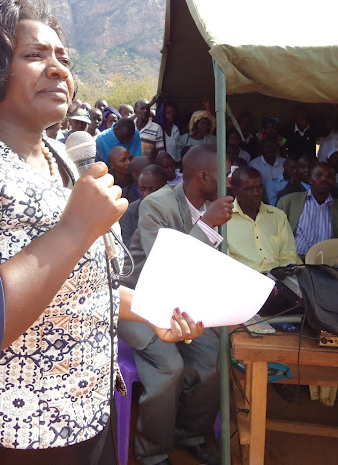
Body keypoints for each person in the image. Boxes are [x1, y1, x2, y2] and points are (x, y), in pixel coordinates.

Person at [0, 0, 202, 463]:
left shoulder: (62, 161)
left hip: (81, 417)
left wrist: (149, 308)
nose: (58, 68)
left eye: (62, 57)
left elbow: (70, 285)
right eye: (34, 55)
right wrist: (74, 230)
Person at [122, 144, 234, 465]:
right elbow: (163, 267)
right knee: (169, 369)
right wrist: (207, 225)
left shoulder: (216, 206)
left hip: (183, 305)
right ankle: (152, 453)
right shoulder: (156, 205)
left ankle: (191, 434)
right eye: (225, 174)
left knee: (213, 362)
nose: (230, 180)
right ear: (203, 176)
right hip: (138, 304)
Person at [225, 166, 300, 273]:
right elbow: (227, 263)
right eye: (249, 189)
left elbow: (288, 255)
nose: (256, 193)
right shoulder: (224, 219)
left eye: (259, 187)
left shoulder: (277, 216)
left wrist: (279, 277)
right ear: (234, 191)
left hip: (279, 280)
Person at [277, 163, 338, 258]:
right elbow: (276, 235)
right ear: (309, 179)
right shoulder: (288, 201)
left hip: (326, 262)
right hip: (293, 261)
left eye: (329, 176)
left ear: (334, 181)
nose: (324, 179)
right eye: (318, 175)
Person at [119, 164, 168, 249]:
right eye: (142, 189)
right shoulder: (129, 212)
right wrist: (145, 222)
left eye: (153, 190)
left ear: (164, 188)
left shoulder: (174, 207)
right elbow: (127, 247)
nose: (146, 195)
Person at [249, 137, 285, 203]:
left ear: (277, 148)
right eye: (267, 147)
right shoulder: (254, 164)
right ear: (262, 149)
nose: (270, 150)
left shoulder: (284, 163)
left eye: (272, 147)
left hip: (284, 202)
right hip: (262, 202)